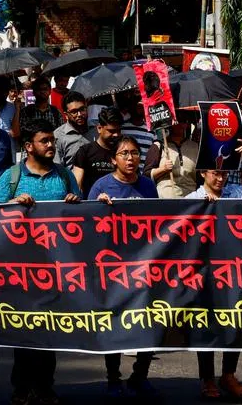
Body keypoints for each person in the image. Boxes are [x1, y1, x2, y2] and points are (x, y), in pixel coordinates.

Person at [0, 118, 81, 405]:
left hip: (56, 267)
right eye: (45, 141)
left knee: (50, 329)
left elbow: (82, 215)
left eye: (52, 141)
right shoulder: (12, 178)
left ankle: (45, 386)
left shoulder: (64, 175)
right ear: (29, 146)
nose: (51, 146)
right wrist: (13, 204)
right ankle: (21, 387)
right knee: (25, 330)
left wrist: (72, 202)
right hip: (22, 267)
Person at [186, 142, 242, 400]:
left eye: (223, 173)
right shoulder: (192, 201)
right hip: (204, 275)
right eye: (214, 173)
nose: (220, 178)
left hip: (235, 271)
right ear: (202, 174)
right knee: (205, 324)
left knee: (237, 321)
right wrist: (202, 211)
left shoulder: (235, 194)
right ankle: (207, 379)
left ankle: (228, 375)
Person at [88, 136, 159, 398]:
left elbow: (159, 222)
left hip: (144, 265)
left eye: (134, 153)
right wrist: (99, 208)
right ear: (112, 160)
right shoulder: (101, 186)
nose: (130, 158)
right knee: (114, 324)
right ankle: (113, 378)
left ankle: (140, 376)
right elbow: (87, 226)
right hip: (113, 269)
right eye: (124, 154)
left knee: (150, 322)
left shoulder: (148, 186)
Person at [73, 106, 124, 197]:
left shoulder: (124, 151)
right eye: (111, 131)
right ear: (99, 128)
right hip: (93, 206)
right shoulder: (85, 152)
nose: (116, 135)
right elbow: (77, 186)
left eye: (118, 131)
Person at [148, 121, 201, 198]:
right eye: (176, 120)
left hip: (191, 202)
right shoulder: (158, 146)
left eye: (183, 120)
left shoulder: (196, 147)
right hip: (165, 201)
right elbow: (146, 176)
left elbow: (202, 177)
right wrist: (163, 169)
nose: (179, 124)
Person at [54, 91, 96, 167]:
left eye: (82, 109)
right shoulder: (58, 136)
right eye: (74, 112)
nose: (79, 115)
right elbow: (57, 167)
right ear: (66, 115)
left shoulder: (97, 129)